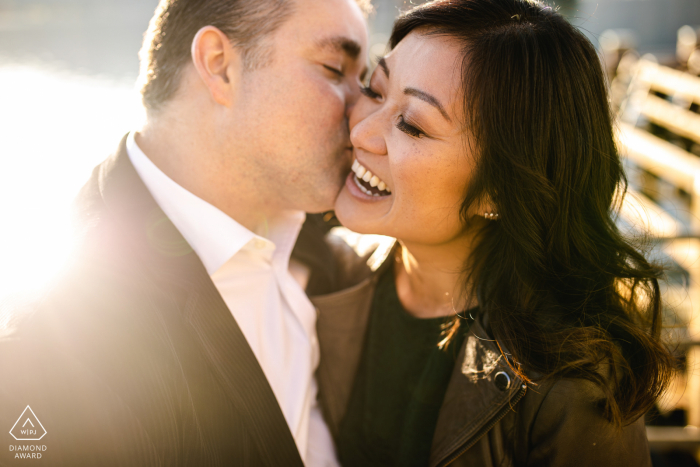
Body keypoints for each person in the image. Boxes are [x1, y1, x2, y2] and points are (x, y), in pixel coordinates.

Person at [0, 0, 368, 465]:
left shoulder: (330, 244)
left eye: (365, 81)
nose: (364, 113)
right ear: (220, 66)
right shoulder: (56, 344)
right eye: (335, 69)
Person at [311, 0, 675, 465]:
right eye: (376, 90)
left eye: (413, 125)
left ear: (501, 190)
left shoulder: (570, 386)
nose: (361, 130)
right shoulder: (329, 271)